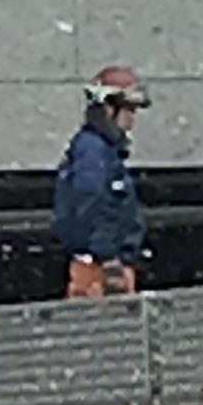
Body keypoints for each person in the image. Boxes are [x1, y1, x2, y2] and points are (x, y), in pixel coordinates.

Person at [54, 65, 150, 296]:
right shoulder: (93, 151)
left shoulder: (100, 151)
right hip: (100, 270)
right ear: (109, 108)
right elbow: (92, 202)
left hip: (104, 265)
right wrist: (107, 258)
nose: (131, 120)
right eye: (129, 110)